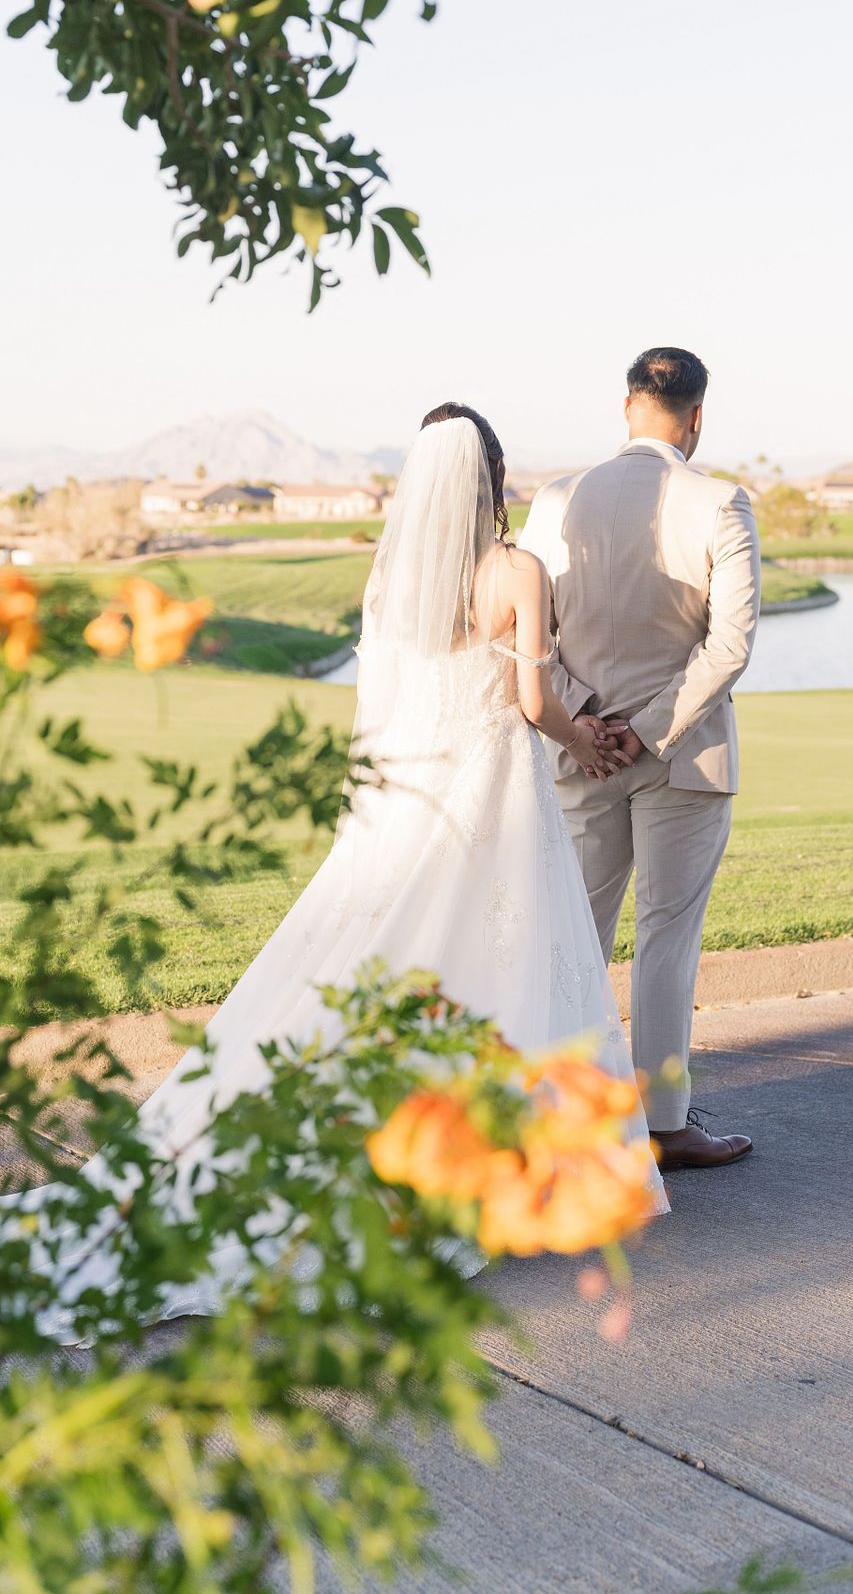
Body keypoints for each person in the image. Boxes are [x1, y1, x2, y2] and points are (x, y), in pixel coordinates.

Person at [12, 406, 667, 1339]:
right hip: (494, 799)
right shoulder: (516, 571)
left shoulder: (390, 577)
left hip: (409, 802)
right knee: (504, 967)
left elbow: (387, 707)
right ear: (490, 475)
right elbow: (532, 703)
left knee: (390, 972)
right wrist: (590, 738)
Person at [520, 347, 761, 1169]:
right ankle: (664, 1125)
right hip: (683, 755)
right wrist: (648, 728)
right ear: (696, 417)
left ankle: (567, 1117)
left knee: (577, 935)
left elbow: (530, 640)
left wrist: (587, 719)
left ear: (627, 408)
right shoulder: (721, 501)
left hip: (582, 753)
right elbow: (730, 645)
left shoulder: (556, 501)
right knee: (667, 936)